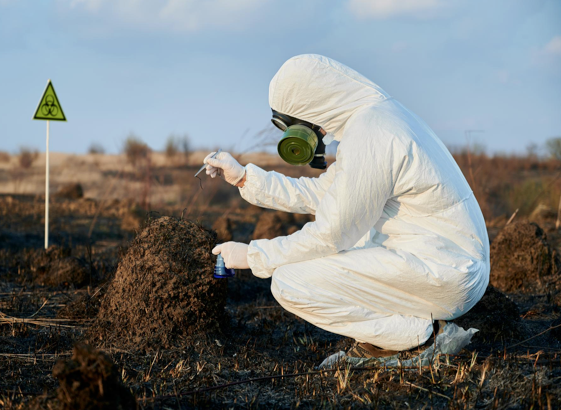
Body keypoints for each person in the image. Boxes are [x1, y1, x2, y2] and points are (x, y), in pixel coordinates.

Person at [205, 54, 489, 357]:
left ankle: (422, 337)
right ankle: (401, 333)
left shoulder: (372, 134)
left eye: (295, 123)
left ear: (313, 104)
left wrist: (253, 255)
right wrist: (244, 178)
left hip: (445, 270)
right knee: (349, 241)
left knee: (290, 281)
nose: (308, 133)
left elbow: (331, 234)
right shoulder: (374, 121)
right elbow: (325, 194)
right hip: (444, 260)